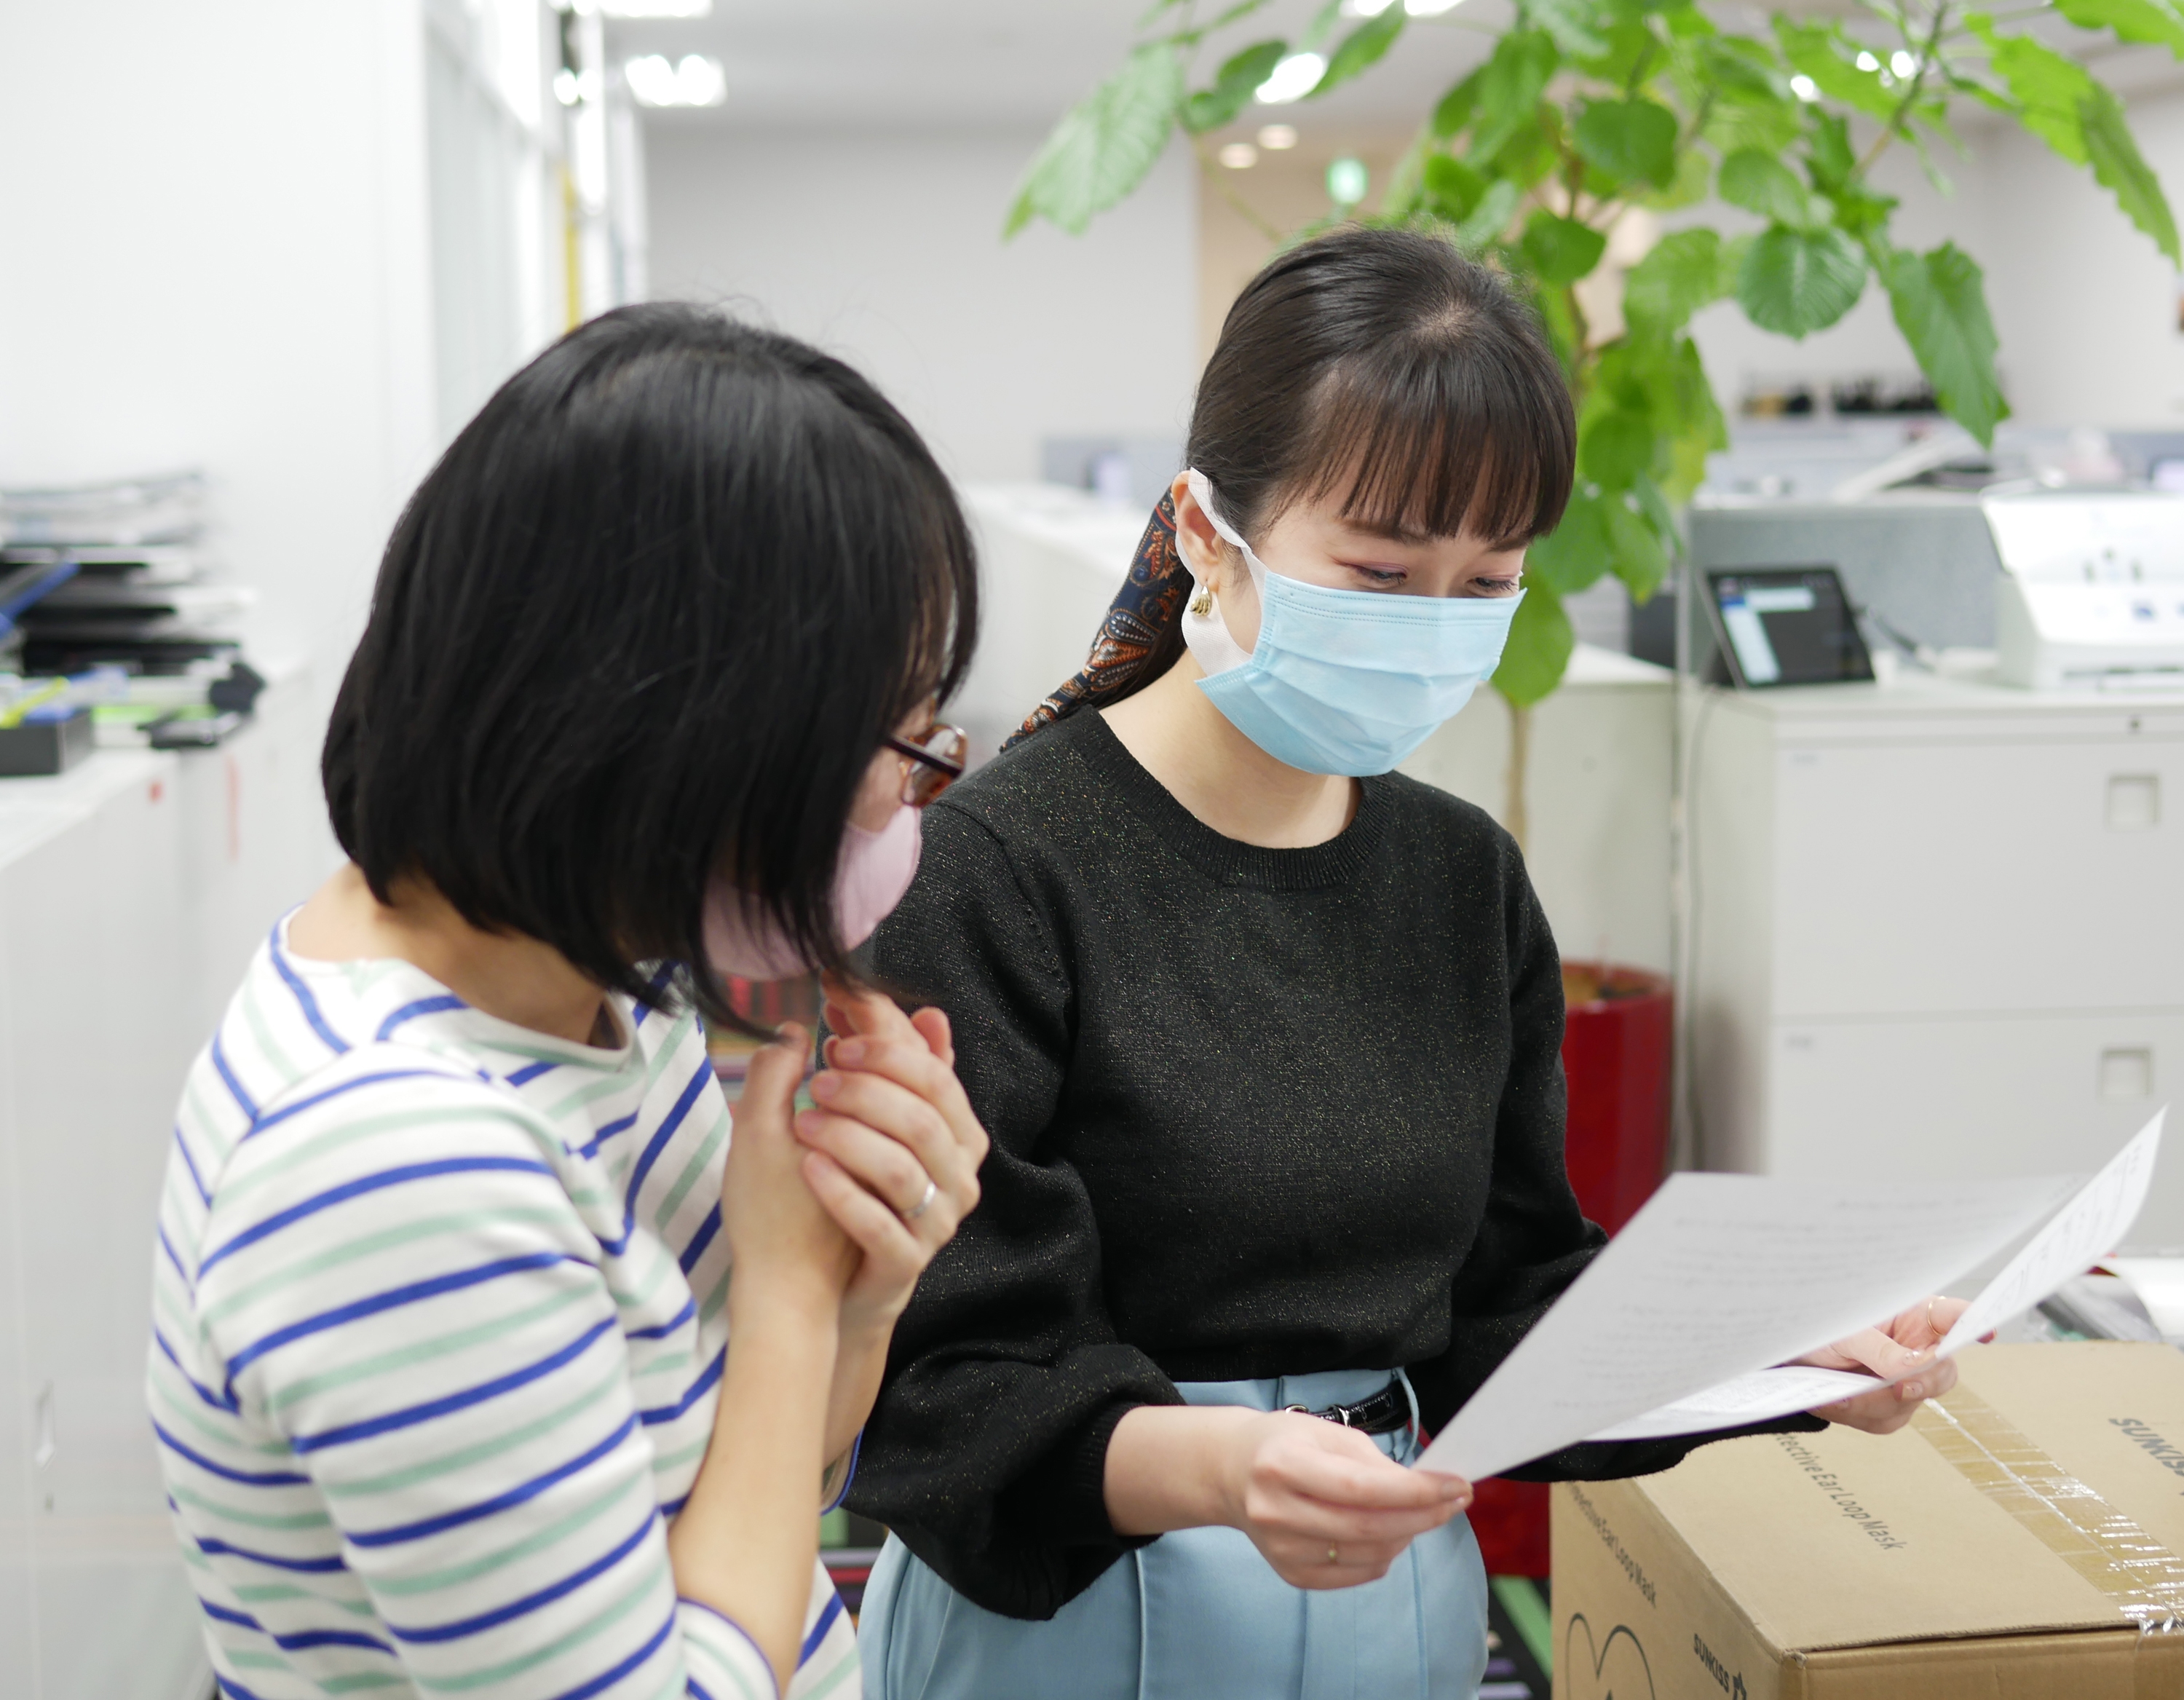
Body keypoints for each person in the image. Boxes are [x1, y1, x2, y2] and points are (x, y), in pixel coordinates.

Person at [847, 227, 1969, 1700]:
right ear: (1203, 531)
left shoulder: (1459, 878)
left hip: (1390, 1599)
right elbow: (945, 1381)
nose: (1430, 631)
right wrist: (1232, 1467)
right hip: (1076, 1608)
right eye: (1377, 571)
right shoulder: (998, 868)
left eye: (1483, 583)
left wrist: (1784, 1359)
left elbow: (1508, 1306)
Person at [148, 306, 993, 1700]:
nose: (905, 794)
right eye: (894, 733)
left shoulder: (596, 995)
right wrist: (786, 1292)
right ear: (694, 735)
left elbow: (747, 1488)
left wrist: (864, 1282)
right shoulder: (398, 1163)